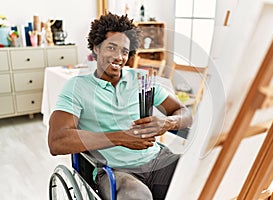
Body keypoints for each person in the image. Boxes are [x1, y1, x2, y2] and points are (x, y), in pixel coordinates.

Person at [48, 12, 192, 200]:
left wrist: (167, 123)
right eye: (111, 48)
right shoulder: (77, 87)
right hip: (115, 170)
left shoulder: (142, 80)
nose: (118, 57)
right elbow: (57, 141)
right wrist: (120, 138)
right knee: (137, 196)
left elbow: (185, 113)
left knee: (197, 179)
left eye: (124, 51)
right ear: (96, 48)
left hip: (158, 160)